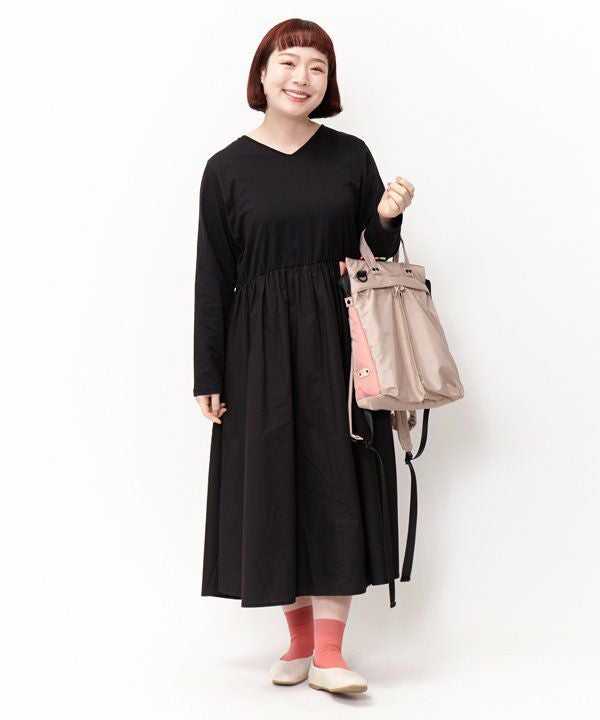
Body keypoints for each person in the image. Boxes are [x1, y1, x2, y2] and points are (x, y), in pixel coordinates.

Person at [193, 18, 414, 693]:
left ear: (329, 83)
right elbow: (213, 276)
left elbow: (376, 256)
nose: (302, 78)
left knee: (336, 481)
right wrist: (207, 372)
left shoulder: (350, 156)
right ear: (262, 74)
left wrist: (386, 216)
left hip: (340, 345)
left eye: (317, 67)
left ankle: (330, 654)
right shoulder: (225, 168)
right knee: (272, 485)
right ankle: (297, 642)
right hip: (257, 351)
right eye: (289, 63)